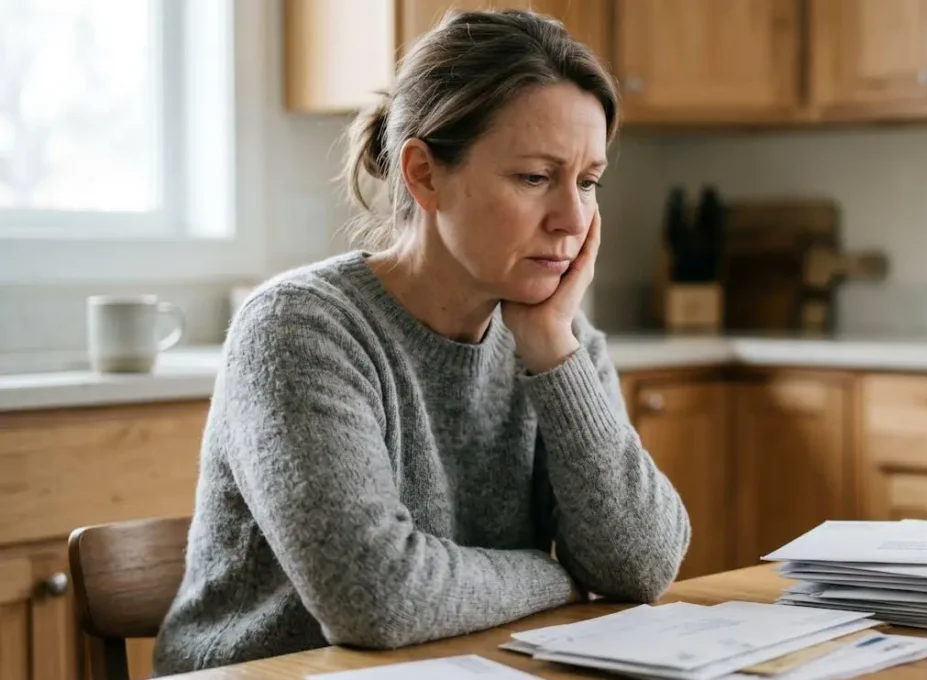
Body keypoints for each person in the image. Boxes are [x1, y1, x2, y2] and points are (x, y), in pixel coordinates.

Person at [152, 9, 690, 674]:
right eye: (534, 177)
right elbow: (376, 599)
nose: (572, 219)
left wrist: (554, 350)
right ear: (425, 174)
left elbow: (641, 567)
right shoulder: (300, 327)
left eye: (587, 182)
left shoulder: (559, 336)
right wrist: (557, 576)